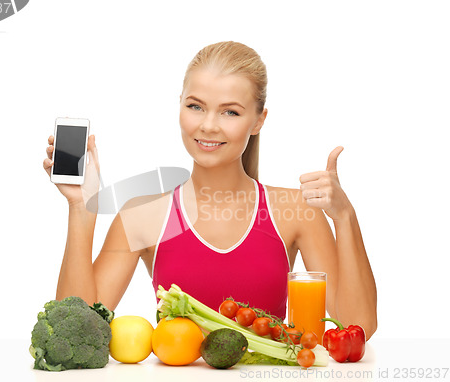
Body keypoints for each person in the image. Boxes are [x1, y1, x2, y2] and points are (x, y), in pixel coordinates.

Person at [43, 41, 377, 340]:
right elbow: (75, 329)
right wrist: (80, 209)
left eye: (230, 111)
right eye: (195, 106)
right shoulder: (143, 216)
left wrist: (345, 216)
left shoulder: (292, 211)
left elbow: (357, 324)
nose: (208, 125)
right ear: (179, 106)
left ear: (259, 120)